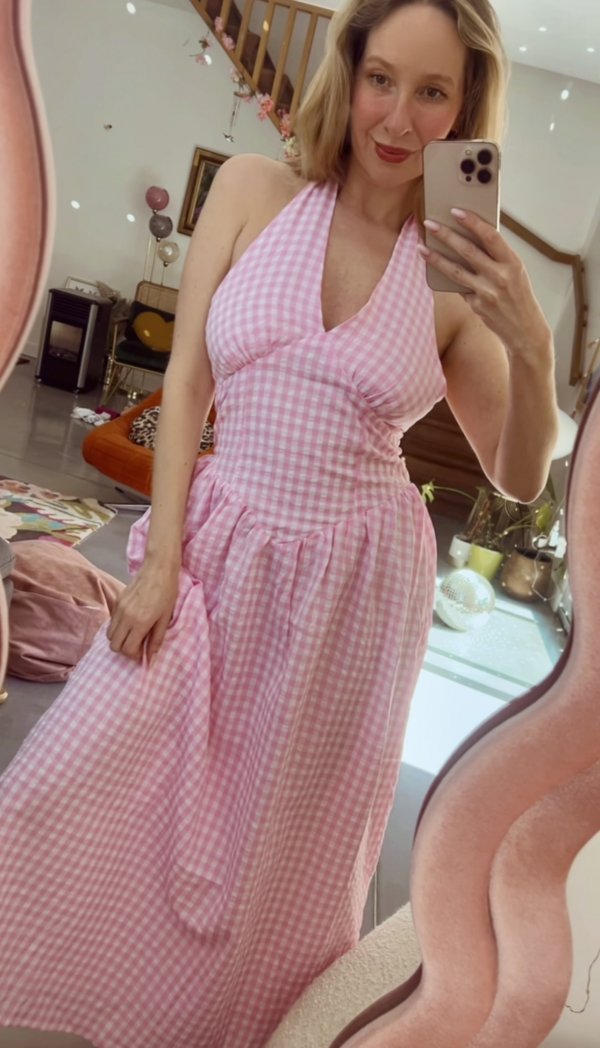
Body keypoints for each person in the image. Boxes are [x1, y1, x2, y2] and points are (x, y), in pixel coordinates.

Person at [0, 0, 558, 1045]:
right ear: (349, 70)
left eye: (433, 92)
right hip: (219, 546)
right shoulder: (256, 190)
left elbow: (520, 475)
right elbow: (186, 385)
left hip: (356, 593)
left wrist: (530, 342)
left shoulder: (451, 272)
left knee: (281, 862)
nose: (398, 117)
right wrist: (160, 559)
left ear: (466, 107)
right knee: (75, 778)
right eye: (382, 78)